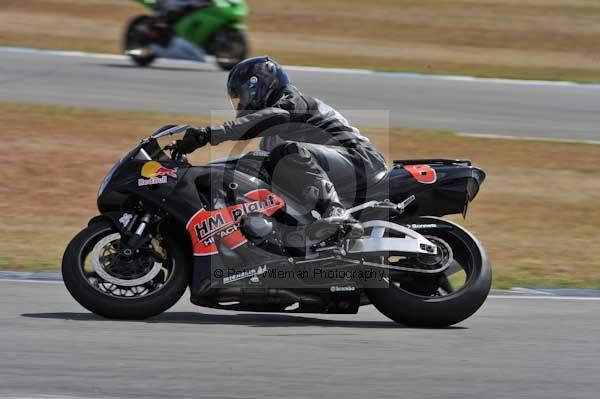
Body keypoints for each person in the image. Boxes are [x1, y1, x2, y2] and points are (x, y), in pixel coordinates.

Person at [174, 56, 387, 237]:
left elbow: (270, 117)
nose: (240, 105)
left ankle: (337, 214)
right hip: (334, 170)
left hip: (361, 162)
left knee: (287, 152)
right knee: (253, 164)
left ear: (258, 86)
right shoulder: (271, 139)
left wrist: (208, 134)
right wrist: (199, 172)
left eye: (242, 96)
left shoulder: (293, 102)